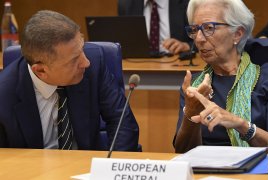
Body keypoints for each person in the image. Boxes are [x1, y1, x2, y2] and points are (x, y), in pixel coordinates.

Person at [0, 10, 139, 151]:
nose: (86, 63)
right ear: (41, 71)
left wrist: (112, 168)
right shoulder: (4, 96)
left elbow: (122, 123)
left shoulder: (94, 62)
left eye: (82, 49)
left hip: (85, 166)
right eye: (74, 60)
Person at [174, 0, 268, 154]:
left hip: (258, 175)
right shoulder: (194, 85)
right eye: (195, 29)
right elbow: (182, 152)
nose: (199, 39)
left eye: (208, 28)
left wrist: (240, 124)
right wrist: (190, 113)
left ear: (237, 34)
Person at [119, 0, 192, 54]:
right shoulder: (126, 4)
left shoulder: (187, 3)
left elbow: (200, 36)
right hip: (140, 65)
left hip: (176, 64)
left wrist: (186, 46)